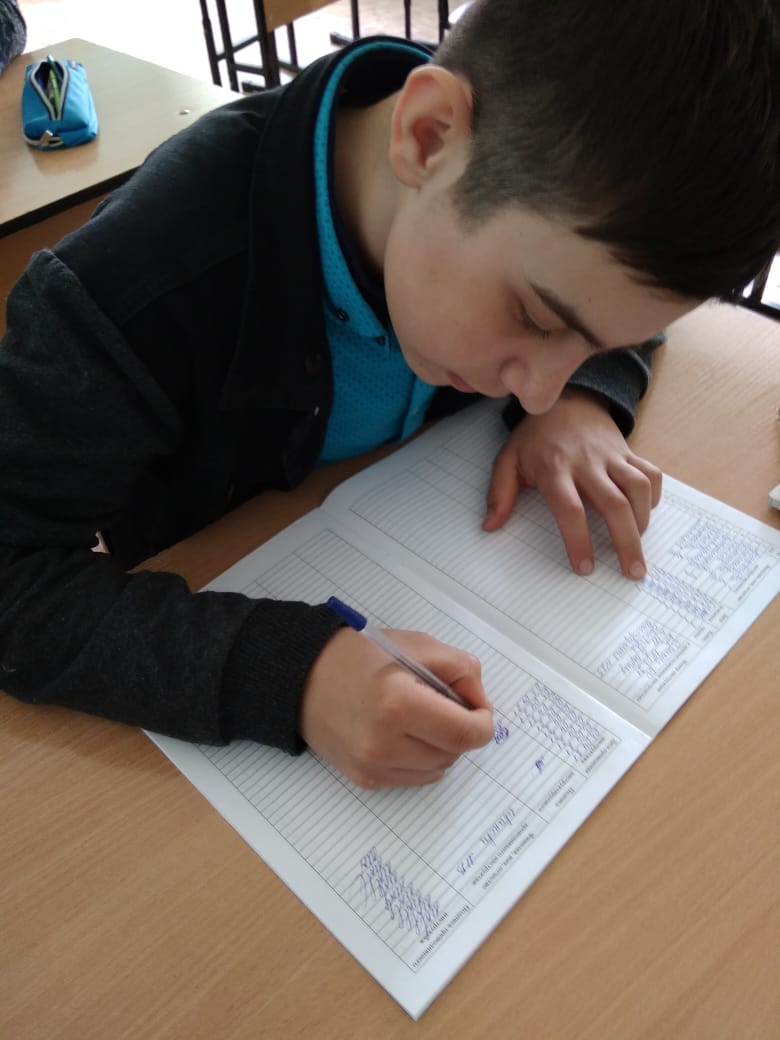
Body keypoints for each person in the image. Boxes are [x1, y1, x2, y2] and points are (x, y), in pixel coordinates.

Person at [0, 0, 777, 788]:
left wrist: (588, 395)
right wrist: (290, 674)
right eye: (538, 319)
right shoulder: (127, 293)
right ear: (427, 136)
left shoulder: (544, 187)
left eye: (592, 342)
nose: (538, 393)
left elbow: (615, 310)